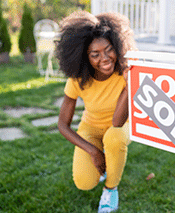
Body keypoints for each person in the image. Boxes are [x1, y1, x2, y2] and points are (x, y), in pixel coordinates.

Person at [56, 10, 136, 213]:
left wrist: (128, 86)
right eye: (95, 55)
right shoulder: (78, 78)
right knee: (83, 182)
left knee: (114, 137)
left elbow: (118, 122)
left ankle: (111, 189)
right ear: (84, 56)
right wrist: (93, 151)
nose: (105, 58)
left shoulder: (125, 71)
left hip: (120, 126)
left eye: (109, 49)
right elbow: (62, 124)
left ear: (117, 46)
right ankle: (104, 162)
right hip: (90, 127)